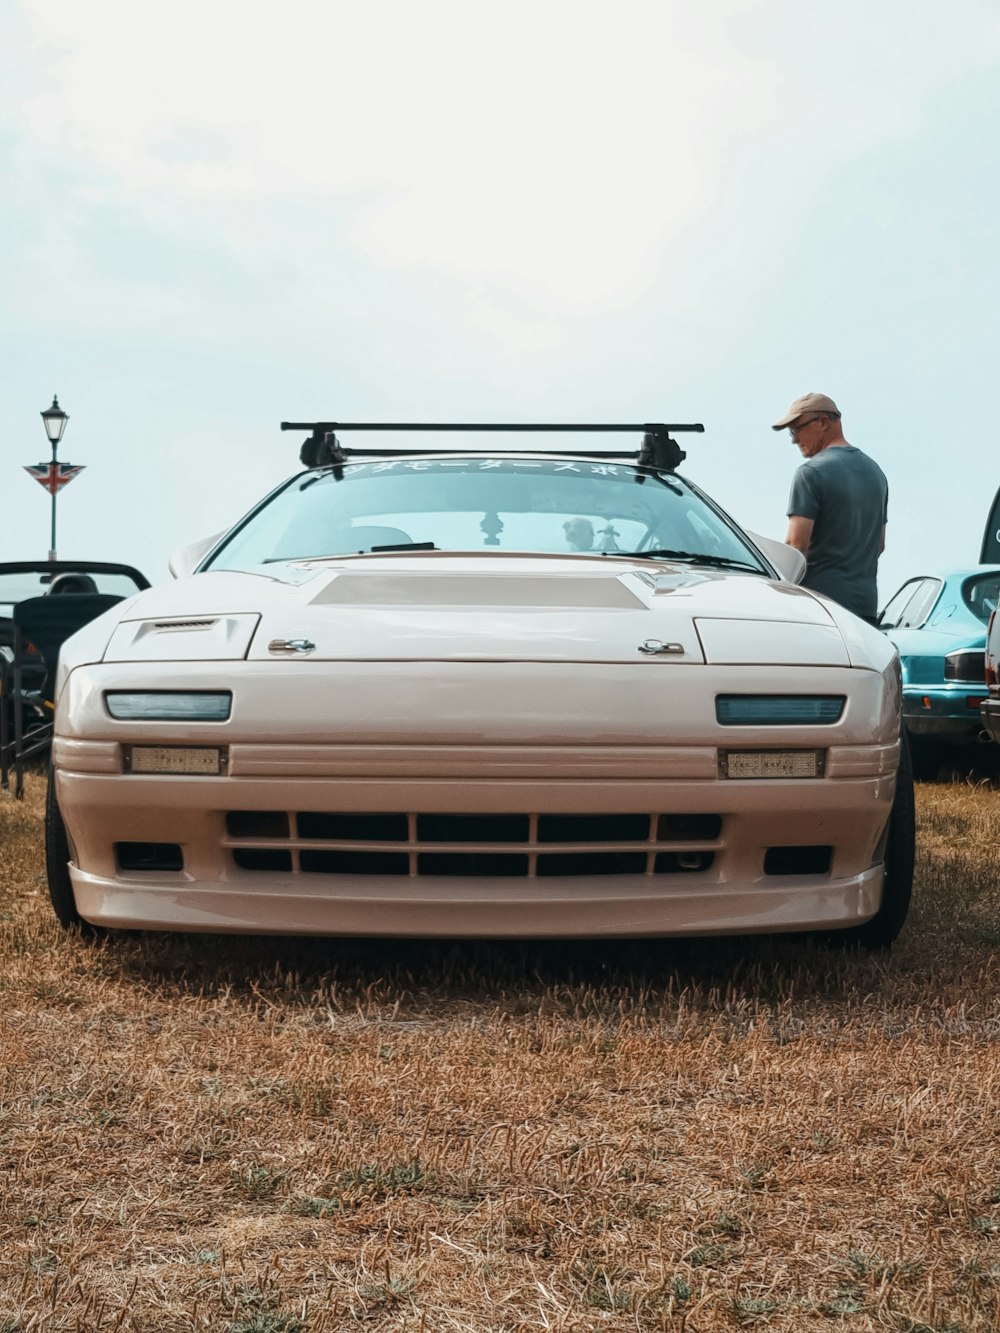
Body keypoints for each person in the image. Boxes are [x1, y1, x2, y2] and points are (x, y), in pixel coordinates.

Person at [772, 392, 887, 624]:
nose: (793, 439)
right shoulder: (876, 473)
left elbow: (796, 547)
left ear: (823, 422)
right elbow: (879, 545)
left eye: (796, 429)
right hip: (866, 608)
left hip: (821, 608)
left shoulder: (810, 473)